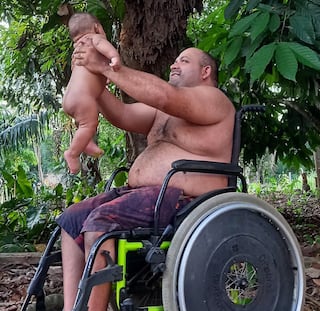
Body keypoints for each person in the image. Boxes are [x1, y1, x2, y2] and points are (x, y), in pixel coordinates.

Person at [57, 41, 235, 311]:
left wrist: (106, 66)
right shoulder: (164, 112)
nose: (175, 64)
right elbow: (122, 114)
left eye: (184, 61)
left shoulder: (213, 99)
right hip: (144, 195)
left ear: (205, 71)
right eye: (175, 60)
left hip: (187, 200)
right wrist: (92, 76)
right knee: (71, 219)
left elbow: (164, 95)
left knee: (99, 222)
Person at [62, 12, 121, 174]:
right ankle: (72, 153)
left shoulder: (77, 52)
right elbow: (105, 47)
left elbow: (84, 75)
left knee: (85, 123)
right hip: (82, 98)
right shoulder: (94, 38)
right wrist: (114, 57)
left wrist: (103, 79)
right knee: (89, 123)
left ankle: (85, 142)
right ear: (97, 27)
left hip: (69, 97)